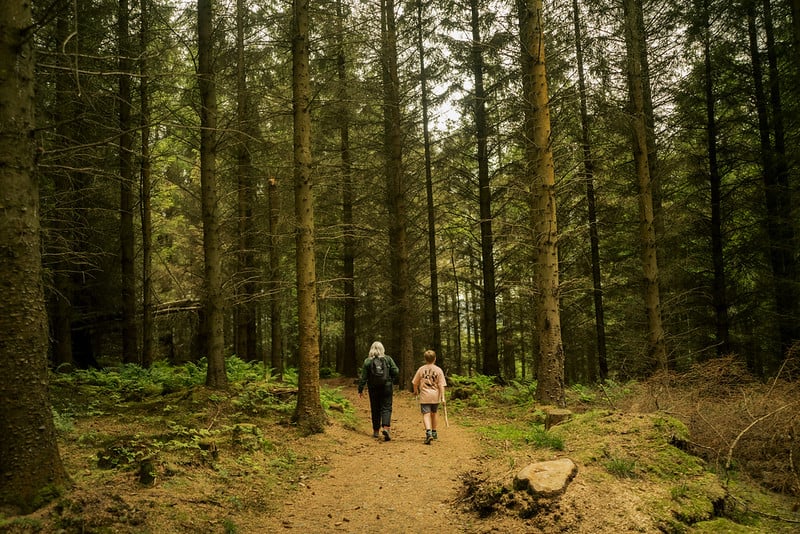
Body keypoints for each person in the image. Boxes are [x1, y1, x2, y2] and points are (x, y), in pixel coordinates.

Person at [358, 341, 399, 441]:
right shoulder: (388, 359)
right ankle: (386, 428)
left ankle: (376, 431)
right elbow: (396, 371)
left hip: (373, 387)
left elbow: (363, 377)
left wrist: (360, 389)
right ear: (382, 349)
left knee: (375, 408)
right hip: (387, 386)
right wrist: (391, 379)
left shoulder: (367, 361)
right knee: (386, 407)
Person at [411, 349, 447, 445]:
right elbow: (441, 385)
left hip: (425, 396)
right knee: (434, 413)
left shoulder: (421, 369)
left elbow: (415, 382)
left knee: (426, 414)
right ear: (435, 359)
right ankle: (434, 432)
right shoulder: (439, 370)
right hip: (435, 396)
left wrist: (416, 391)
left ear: (425, 359)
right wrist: (443, 397)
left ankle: (428, 432)